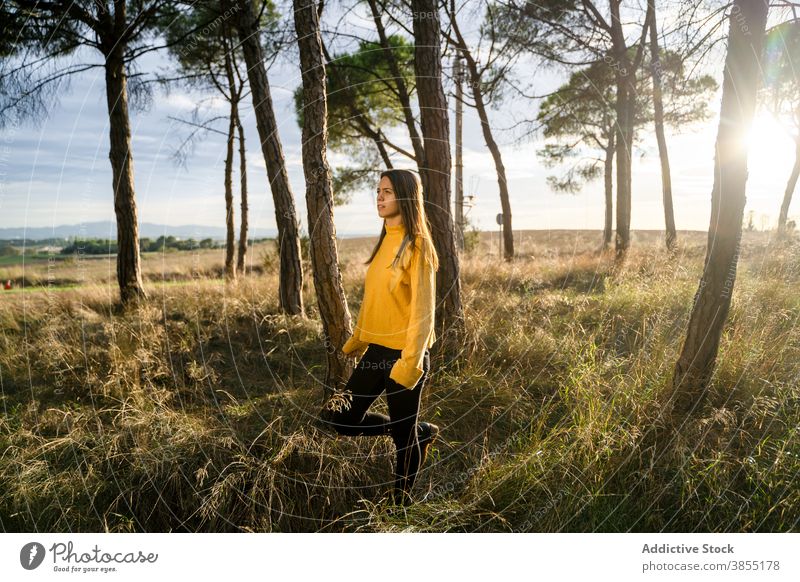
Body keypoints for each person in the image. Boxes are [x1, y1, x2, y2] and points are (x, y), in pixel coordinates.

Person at [325, 168, 440, 507]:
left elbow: (423, 311)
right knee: (342, 420)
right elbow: (375, 302)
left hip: (405, 354)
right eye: (378, 190)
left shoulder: (418, 245)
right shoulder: (385, 240)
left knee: (403, 441)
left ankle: (400, 506)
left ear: (404, 196)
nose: (379, 196)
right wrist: (358, 340)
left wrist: (410, 362)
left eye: (387, 191)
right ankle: (419, 431)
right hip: (377, 351)